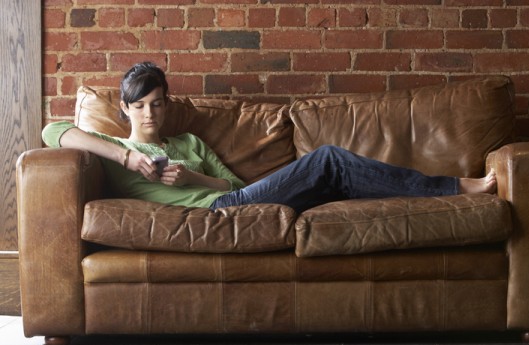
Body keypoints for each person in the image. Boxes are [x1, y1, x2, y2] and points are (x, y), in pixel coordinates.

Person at [42, 62, 497, 214]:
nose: (149, 114)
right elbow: (53, 131)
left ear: (167, 102)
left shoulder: (188, 143)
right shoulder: (115, 148)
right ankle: (456, 186)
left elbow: (233, 187)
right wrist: (128, 161)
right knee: (330, 160)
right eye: (139, 105)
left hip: (229, 200)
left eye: (156, 103)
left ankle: (444, 195)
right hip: (217, 215)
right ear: (124, 108)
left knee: (339, 179)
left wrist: (190, 178)